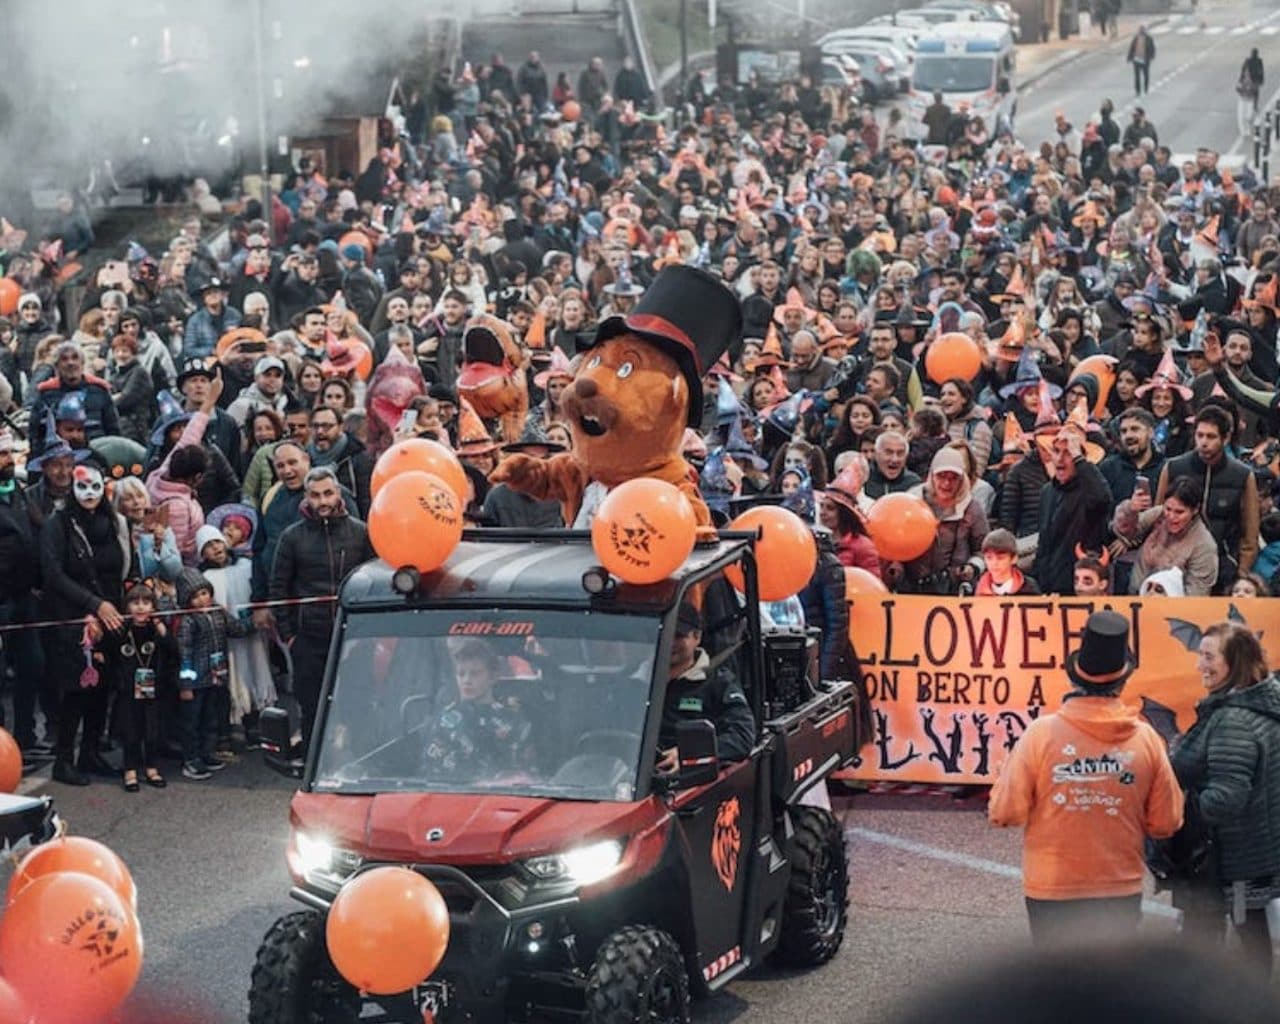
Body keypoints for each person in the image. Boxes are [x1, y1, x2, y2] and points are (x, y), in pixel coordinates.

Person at [989, 610, 1183, 946]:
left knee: (1057, 989)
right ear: (1123, 680)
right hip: (1118, 885)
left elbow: (1006, 812)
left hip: (1052, 885)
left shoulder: (1040, 734)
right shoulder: (1147, 739)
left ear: (1074, 677)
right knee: (1111, 990)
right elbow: (1167, 821)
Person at [1172, 622, 1280, 975]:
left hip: (1227, 861)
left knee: (1208, 949)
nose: (1199, 664)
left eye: (1208, 657)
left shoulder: (1232, 720)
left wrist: (1180, 805)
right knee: (1252, 939)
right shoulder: (1262, 703)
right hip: (1252, 853)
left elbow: (1226, 798)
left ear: (1234, 663)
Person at [41, 462, 134, 786]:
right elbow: (53, 574)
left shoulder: (114, 522)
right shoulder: (58, 524)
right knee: (76, 690)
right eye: (83, 487)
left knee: (103, 688)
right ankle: (64, 760)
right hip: (75, 619)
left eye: (96, 486)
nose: (90, 494)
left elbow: (124, 566)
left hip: (112, 618)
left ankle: (91, 753)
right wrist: (92, 606)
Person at [268, 465, 371, 750]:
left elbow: (373, 582)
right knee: (312, 705)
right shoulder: (292, 537)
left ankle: (357, 762)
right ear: (306, 497)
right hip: (308, 639)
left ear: (338, 493)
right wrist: (290, 636)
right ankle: (312, 764)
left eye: (327, 494)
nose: (322, 501)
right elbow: (278, 589)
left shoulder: (361, 533)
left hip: (354, 638)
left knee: (358, 703)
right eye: (315, 495)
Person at [656, 601, 755, 774]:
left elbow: (742, 737)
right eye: (664, 632)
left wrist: (689, 754)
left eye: (678, 635)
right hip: (627, 780)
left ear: (697, 637)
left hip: (687, 782)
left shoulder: (719, 683)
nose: (669, 642)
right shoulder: (634, 681)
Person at [174, 567, 253, 781]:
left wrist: (254, 622)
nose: (201, 600)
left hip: (215, 677)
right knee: (192, 721)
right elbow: (185, 653)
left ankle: (206, 753)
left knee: (211, 718)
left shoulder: (218, 612)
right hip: (196, 681)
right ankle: (191, 759)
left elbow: (236, 629)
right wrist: (186, 685)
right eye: (195, 597)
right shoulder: (188, 621)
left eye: (204, 593)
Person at [421, 638, 533, 780]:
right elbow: (432, 771)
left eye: (475, 673)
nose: (466, 680)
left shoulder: (512, 719)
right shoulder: (444, 721)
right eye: (461, 674)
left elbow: (526, 772)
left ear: (493, 677)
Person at [99, 582, 174, 791]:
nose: (140, 607)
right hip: (127, 689)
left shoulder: (155, 630)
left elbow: (173, 651)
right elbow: (108, 651)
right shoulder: (123, 630)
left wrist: (161, 627)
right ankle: (129, 770)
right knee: (130, 730)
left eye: (146, 602)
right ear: (126, 607)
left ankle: (152, 767)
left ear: (153, 607)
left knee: (152, 730)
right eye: (135, 603)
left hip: (152, 688)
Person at [1112, 475, 1219, 596]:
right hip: (1136, 598)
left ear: (1195, 510)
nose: (1171, 517)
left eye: (1179, 512)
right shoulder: (1159, 514)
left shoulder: (1204, 545)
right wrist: (1130, 509)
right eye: (1168, 509)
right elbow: (1122, 531)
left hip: (1171, 608)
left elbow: (1196, 596)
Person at [974, 528, 1040, 596]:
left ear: (1014, 558)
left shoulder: (1029, 587)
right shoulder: (979, 588)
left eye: (1000, 558)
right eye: (989, 558)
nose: (994, 563)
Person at [1237, 48, 1264, 134]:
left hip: (1252, 88)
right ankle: (1248, 124)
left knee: (1250, 107)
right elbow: (1261, 73)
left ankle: (1249, 123)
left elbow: (1261, 72)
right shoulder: (1253, 62)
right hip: (1250, 89)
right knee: (1251, 105)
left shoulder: (1252, 61)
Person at [1127, 26, 1156, 96]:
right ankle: (1138, 91)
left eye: (1142, 30)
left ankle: (1146, 88)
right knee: (1137, 76)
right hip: (1136, 60)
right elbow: (1132, 48)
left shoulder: (1149, 39)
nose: (1141, 32)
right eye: (1140, 30)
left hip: (1145, 60)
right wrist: (1129, 57)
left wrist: (1151, 56)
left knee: (1146, 75)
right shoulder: (1136, 38)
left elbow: (1152, 48)